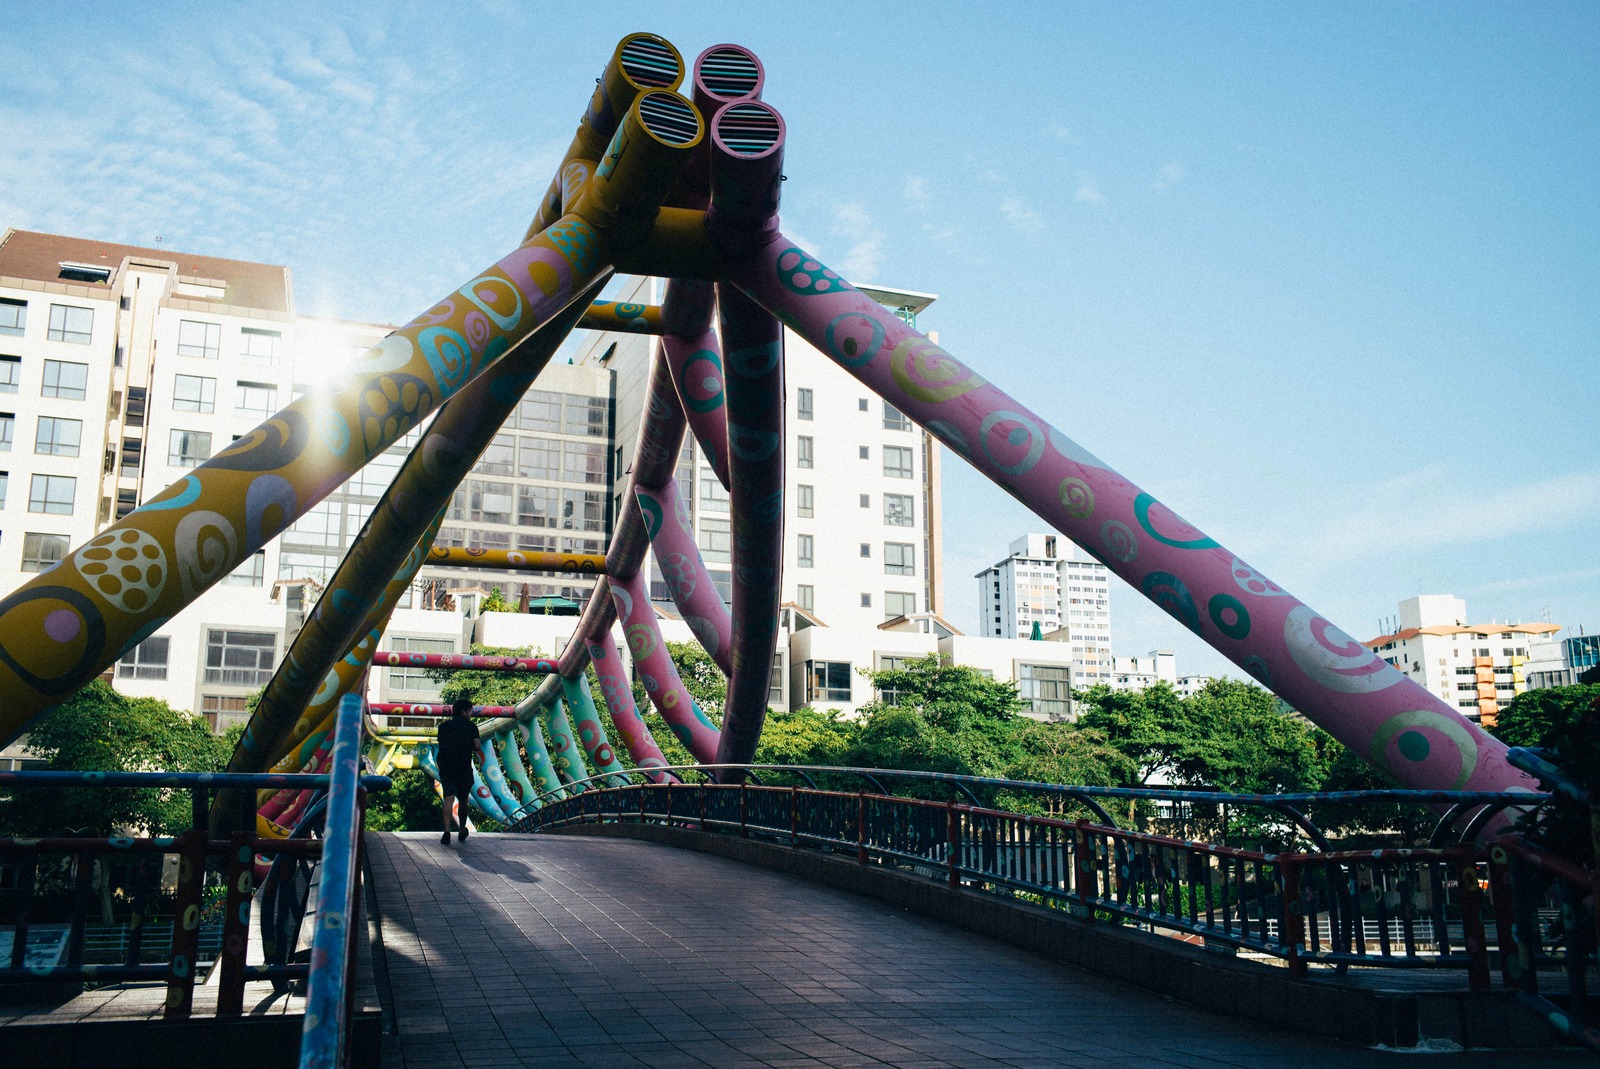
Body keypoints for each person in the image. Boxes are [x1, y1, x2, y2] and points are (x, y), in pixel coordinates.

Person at [436, 698, 480, 844]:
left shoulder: (443, 727)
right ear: (464, 711)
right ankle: (462, 830)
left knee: (448, 797)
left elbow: (442, 744)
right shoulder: (471, 726)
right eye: (469, 711)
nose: (470, 714)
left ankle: (447, 832)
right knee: (463, 800)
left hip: (447, 766)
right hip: (463, 767)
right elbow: (477, 745)